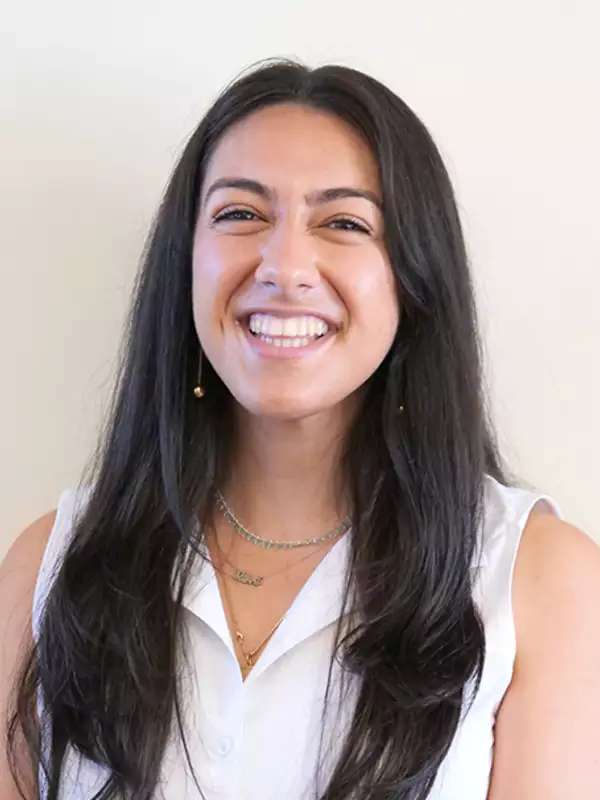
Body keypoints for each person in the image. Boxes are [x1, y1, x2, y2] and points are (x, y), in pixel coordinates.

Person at [1, 57, 599, 800]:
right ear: (184, 262)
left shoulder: (538, 579)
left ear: (413, 278)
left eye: (344, 223)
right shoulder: (51, 565)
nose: (285, 266)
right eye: (240, 215)